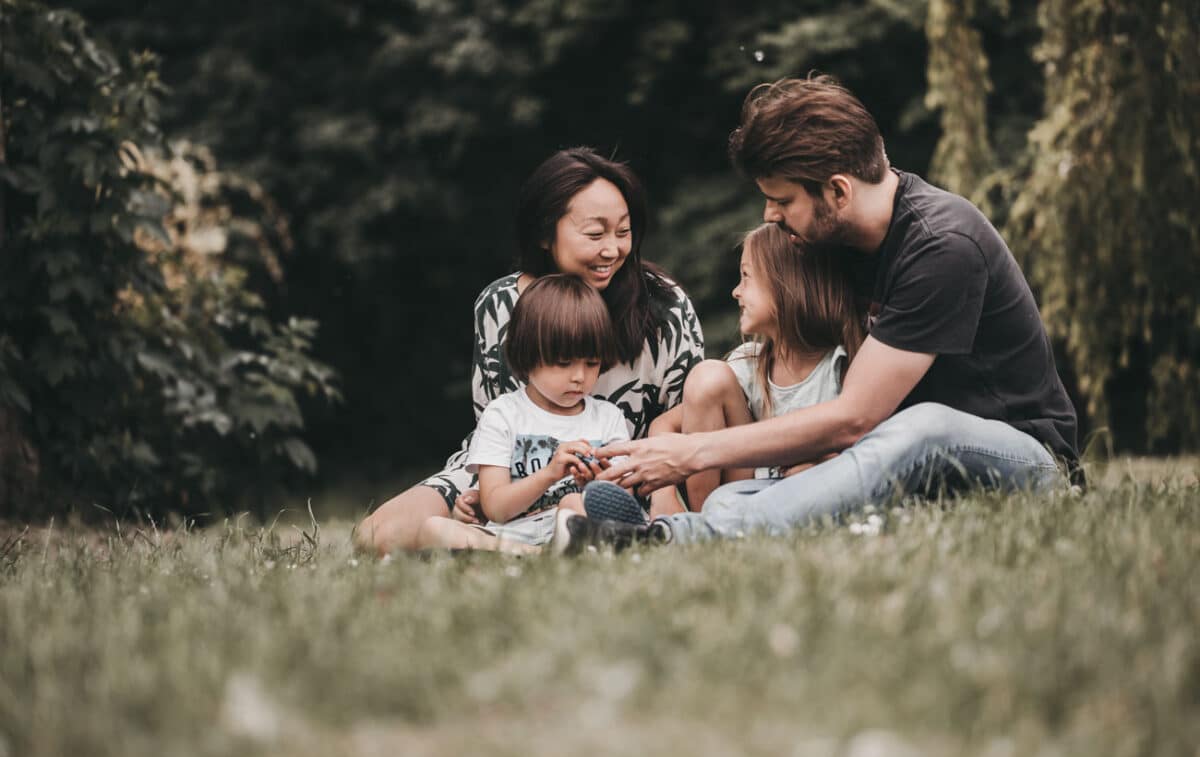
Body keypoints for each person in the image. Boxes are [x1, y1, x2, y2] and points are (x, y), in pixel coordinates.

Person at [563, 74, 1081, 550]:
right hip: (903, 458)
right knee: (731, 500)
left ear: (837, 190)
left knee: (928, 426)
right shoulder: (837, 240)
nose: (770, 215)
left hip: (1022, 456)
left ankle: (662, 541)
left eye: (782, 200)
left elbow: (854, 418)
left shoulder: (941, 245)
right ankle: (707, 522)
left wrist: (693, 452)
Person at [355, 147, 704, 555]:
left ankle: (536, 541)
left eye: (623, 232)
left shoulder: (663, 305)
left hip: (620, 479)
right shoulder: (500, 305)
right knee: (375, 537)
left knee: (587, 509)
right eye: (595, 234)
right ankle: (510, 542)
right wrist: (485, 496)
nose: (612, 249)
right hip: (511, 473)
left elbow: (690, 411)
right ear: (544, 232)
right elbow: (493, 422)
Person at [644, 222, 863, 515]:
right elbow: (662, 426)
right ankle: (703, 522)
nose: (736, 291)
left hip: (809, 502)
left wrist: (822, 463)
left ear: (787, 281)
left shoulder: (841, 364)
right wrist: (663, 495)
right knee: (707, 376)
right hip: (739, 496)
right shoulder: (749, 364)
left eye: (746, 277)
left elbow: (865, 451)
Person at [416, 275, 632, 552]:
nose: (579, 377)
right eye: (564, 363)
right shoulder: (503, 414)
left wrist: (598, 483)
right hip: (511, 533)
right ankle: (532, 554)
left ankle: (554, 547)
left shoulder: (607, 417)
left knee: (572, 506)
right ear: (527, 356)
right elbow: (496, 508)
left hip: (577, 523)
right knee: (433, 528)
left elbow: (624, 502)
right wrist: (549, 474)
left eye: (591, 363)